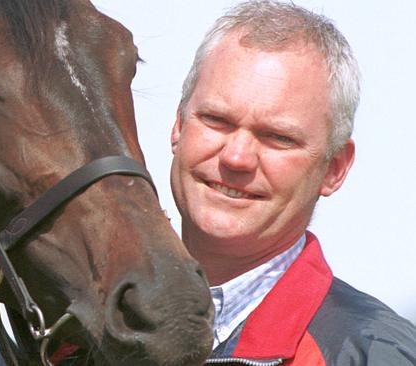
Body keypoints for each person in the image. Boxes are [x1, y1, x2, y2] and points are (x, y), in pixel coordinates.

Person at [169, 0, 416, 364]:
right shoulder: (72, 329)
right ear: (178, 126)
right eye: (216, 120)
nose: (236, 157)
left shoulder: (373, 354)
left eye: (278, 137)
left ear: (334, 168)